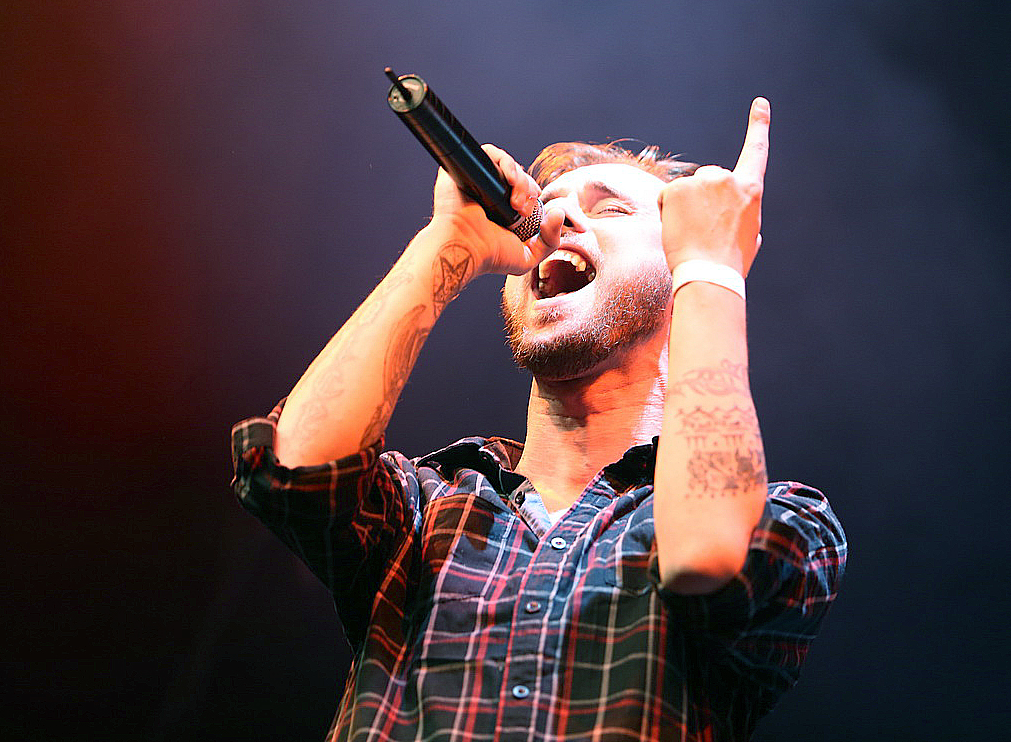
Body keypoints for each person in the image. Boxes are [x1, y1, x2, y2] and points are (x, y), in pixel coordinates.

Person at [231, 98, 846, 741]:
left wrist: (712, 267)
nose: (556, 220)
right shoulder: (429, 505)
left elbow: (706, 561)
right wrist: (449, 242)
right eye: (544, 210)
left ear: (679, 268)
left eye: (611, 209)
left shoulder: (782, 518)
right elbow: (297, 470)